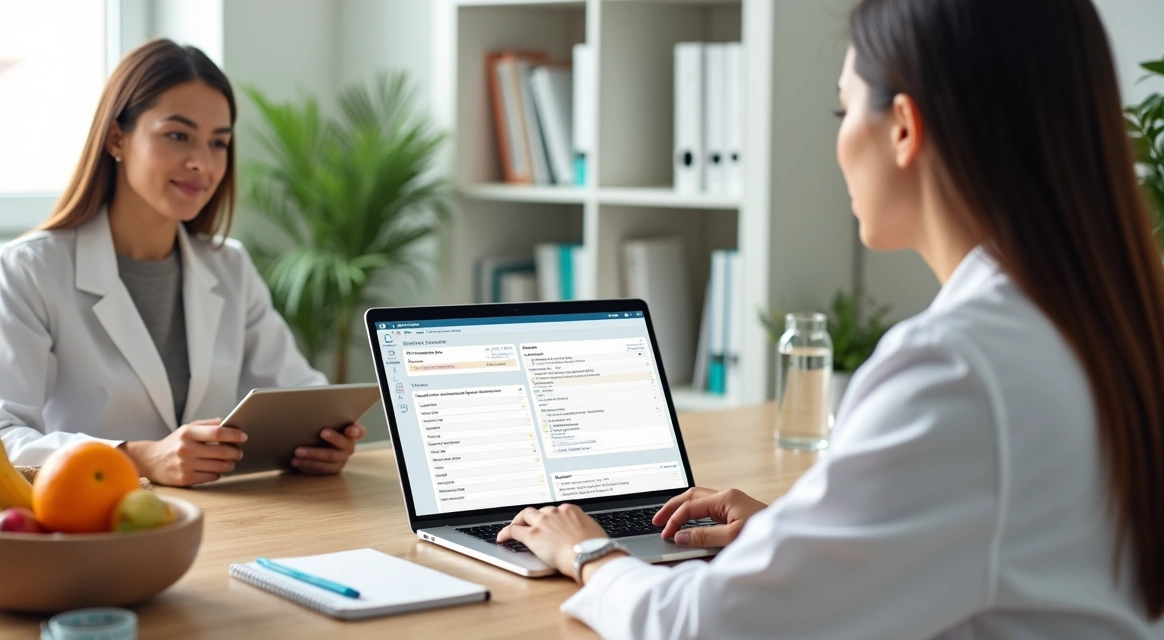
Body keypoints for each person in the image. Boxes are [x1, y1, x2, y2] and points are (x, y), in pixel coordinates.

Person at [496, 0, 1164, 637]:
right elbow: (993, 535)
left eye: (842, 109)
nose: (839, 138)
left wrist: (590, 554)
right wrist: (796, 534)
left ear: (902, 127)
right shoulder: (1100, 320)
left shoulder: (957, 369)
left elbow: (712, 628)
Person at [0, 39, 365, 487]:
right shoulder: (31, 269)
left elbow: (301, 394)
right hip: (91, 528)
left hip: (215, 524)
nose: (202, 164)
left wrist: (325, 439)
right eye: (178, 135)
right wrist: (138, 458)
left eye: (219, 143)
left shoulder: (229, 266)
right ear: (117, 137)